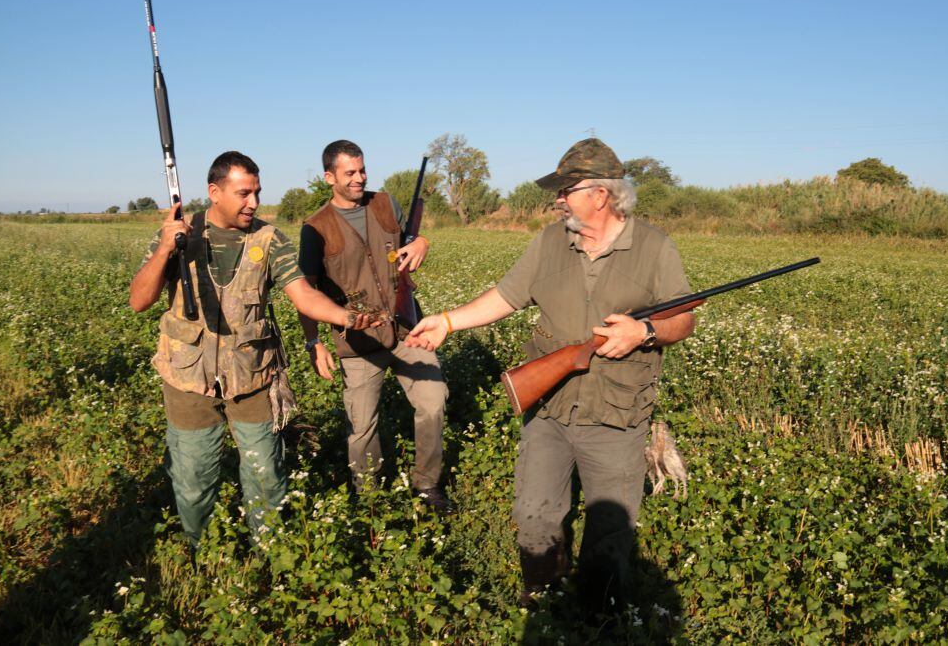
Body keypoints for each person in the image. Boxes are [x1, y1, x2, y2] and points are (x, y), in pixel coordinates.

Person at [405, 138, 695, 609]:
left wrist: (643, 331)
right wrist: (448, 321)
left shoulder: (655, 247)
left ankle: (601, 614)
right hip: (550, 408)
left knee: (610, 529)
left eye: (567, 189)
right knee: (535, 514)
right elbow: (506, 296)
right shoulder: (549, 241)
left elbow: (683, 318)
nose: (557, 199)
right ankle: (541, 599)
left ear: (600, 195)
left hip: (616, 414)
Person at [129, 150, 368, 545]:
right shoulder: (178, 235)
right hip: (188, 378)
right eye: (243, 193)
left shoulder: (269, 239)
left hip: (254, 375)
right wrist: (165, 250)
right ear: (214, 192)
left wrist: (347, 318)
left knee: (266, 476)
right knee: (194, 478)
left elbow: (304, 296)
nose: (253, 203)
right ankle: (199, 552)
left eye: (256, 192)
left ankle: (269, 555)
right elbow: (139, 301)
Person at [297, 140, 452, 513]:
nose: (359, 179)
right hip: (358, 342)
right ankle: (370, 499)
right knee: (361, 427)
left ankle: (427, 485)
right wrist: (313, 342)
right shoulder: (315, 228)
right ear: (329, 177)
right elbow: (305, 291)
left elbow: (411, 240)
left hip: (405, 329)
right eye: (349, 173)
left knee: (434, 402)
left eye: (362, 170)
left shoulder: (385, 204)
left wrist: (423, 243)